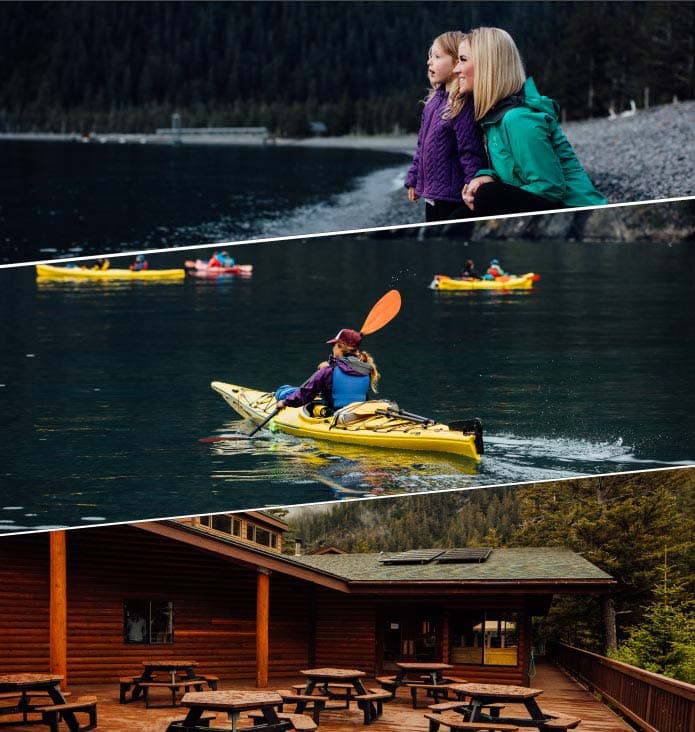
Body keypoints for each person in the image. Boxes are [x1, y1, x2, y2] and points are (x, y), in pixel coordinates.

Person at [453, 27, 606, 216]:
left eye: (463, 60)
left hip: (580, 213)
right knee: (460, 213)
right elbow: (516, 175)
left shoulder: (518, 119)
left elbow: (550, 187)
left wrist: (490, 193)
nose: (456, 69)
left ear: (487, 65)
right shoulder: (495, 119)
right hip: (550, 206)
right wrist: (487, 176)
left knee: (486, 197)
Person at [404, 31, 487, 222]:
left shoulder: (462, 104)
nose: (429, 62)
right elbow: (421, 147)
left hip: (454, 198)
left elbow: (470, 152)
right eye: (430, 56)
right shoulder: (432, 103)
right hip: (431, 196)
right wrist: (413, 179)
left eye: (437, 56)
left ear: (456, 62)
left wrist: (472, 187)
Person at [275, 328, 380, 412]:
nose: (332, 348)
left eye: (333, 345)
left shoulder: (328, 371)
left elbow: (305, 394)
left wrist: (284, 403)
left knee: (283, 391)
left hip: (334, 415)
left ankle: (279, 394)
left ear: (340, 347)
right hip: (356, 414)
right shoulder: (366, 369)